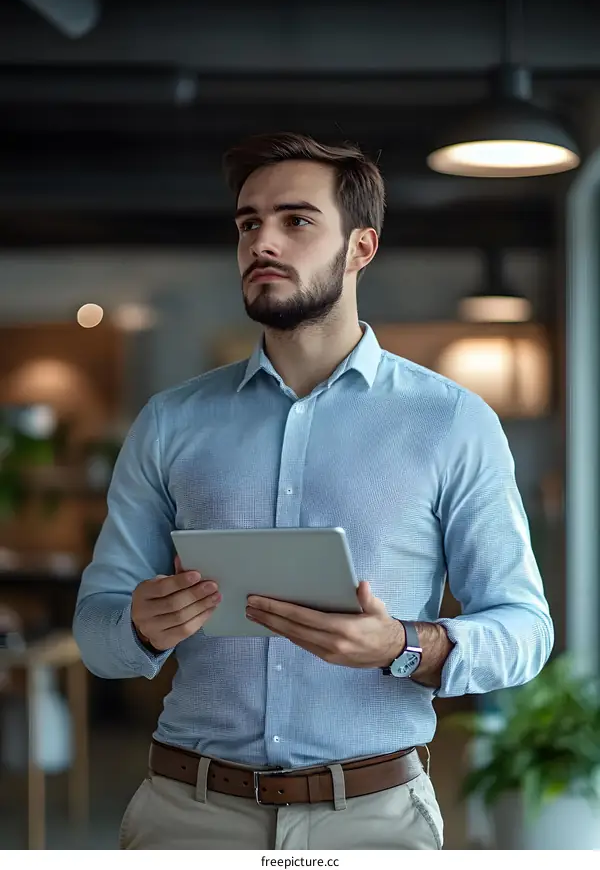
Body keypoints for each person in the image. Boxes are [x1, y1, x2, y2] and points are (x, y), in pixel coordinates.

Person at [73, 132, 554, 850]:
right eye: (248, 223)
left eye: (296, 221)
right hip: (187, 814)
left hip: (374, 819)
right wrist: (140, 626)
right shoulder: (171, 422)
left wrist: (403, 643)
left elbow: (525, 629)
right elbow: (95, 630)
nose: (263, 240)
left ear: (361, 248)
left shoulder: (453, 422)